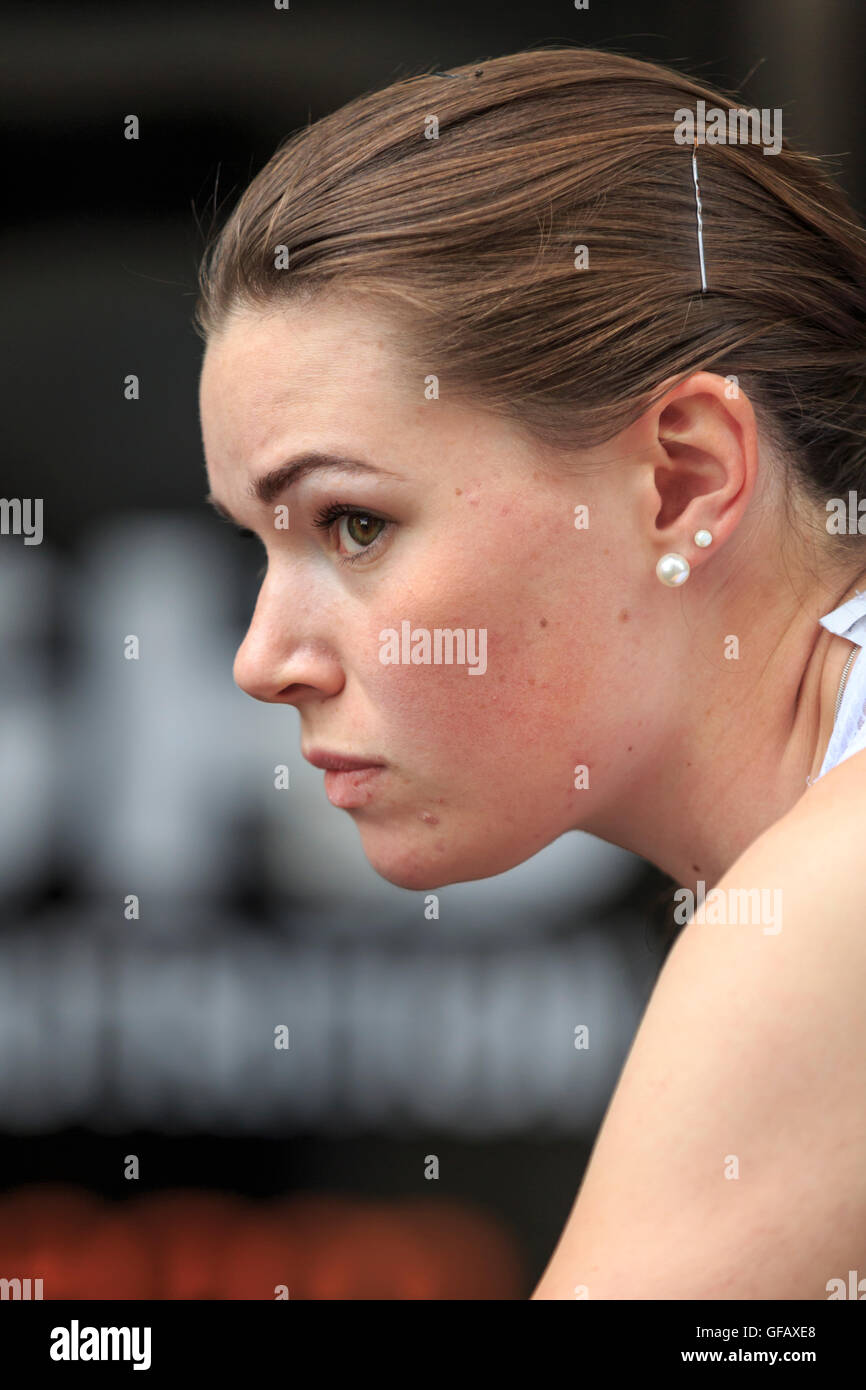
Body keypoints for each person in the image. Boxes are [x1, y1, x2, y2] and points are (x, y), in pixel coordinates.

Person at [195, 46, 866, 1299]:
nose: (259, 661)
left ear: (683, 477)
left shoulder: (832, 905)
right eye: (258, 542)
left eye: (352, 524)